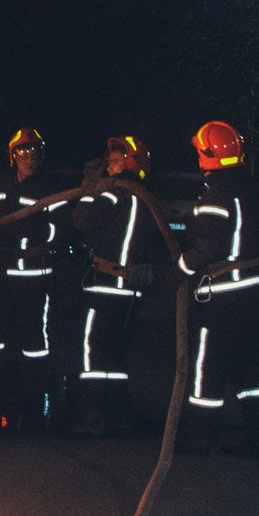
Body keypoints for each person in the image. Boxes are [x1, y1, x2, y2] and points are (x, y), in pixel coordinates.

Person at [174, 121, 259, 459]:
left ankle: (200, 438)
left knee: (208, 368)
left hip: (223, 297)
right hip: (254, 291)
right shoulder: (256, 191)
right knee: (252, 367)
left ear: (208, 155)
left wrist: (177, 269)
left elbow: (205, 248)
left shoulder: (215, 195)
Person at [0, 127, 69, 432]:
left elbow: (62, 229)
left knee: (34, 340)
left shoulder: (50, 190)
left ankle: (34, 401)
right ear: (13, 156)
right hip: (0, 273)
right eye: (24, 153)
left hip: (34, 275)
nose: (29, 158)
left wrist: (35, 233)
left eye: (34, 153)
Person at [68, 135, 156, 437]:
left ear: (131, 163)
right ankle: (118, 416)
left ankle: (92, 417)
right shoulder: (145, 198)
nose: (109, 164)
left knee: (92, 350)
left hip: (105, 284)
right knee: (116, 354)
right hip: (129, 288)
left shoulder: (115, 195)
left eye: (117, 159)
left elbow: (81, 219)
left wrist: (89, 189)